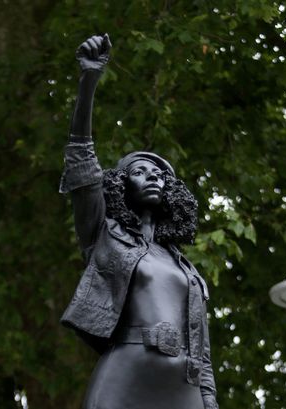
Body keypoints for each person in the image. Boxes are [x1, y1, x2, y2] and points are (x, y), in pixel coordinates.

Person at [59, 34, 219, 409]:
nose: (153, 177)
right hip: (127, 372)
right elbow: (82, 163)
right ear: (119, 185)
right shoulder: (105, 234)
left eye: (161, 176)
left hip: (184, 383)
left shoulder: (187, 269)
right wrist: (88, 82)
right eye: (141, 171)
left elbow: (204, 352)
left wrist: (210, 401)